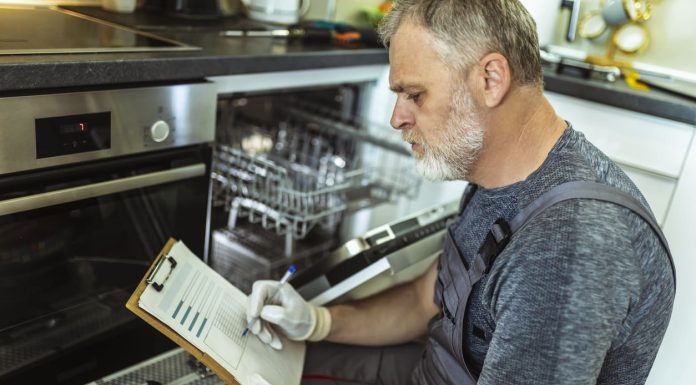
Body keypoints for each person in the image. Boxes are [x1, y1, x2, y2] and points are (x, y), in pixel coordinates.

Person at [245, 0, 676, 384]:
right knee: (262, 356)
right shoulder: (499, 175)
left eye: (415, 94)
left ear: (491, 78)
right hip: (428, 365)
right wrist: (317, 323)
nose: (397, 118)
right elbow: (424, 300)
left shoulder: (566, 249)